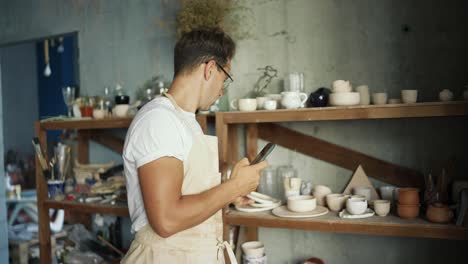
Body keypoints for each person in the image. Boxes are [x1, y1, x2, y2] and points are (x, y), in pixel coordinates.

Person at [121, 28, 268, 263]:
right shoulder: (158, 120)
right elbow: (166, 220)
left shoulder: (185, 120)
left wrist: (231, 191)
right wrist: (233, 187)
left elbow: (187, 192)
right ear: (210, 69)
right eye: (225, 78)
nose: (222, 89)